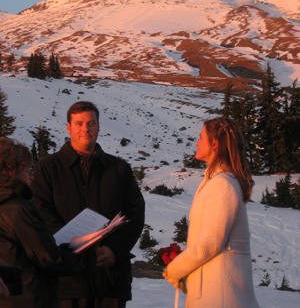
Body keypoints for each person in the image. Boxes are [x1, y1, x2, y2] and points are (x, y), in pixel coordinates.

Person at [31, 101, 145, 308]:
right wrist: (71, 246)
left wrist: (114, 250)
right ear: (68, 127)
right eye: (79, 123)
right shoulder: (48, 168)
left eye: (91, 123)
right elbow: (41, 212)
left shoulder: (119, 168)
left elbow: (134, 214)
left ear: (99, 126)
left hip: (110, 280)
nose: (86, 129)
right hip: (66, 281)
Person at [163, 117, 260, 307]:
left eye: (201, 137)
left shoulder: (222, 184)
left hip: (221, 295)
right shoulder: (216, 180)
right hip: (214, 291)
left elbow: (208, 244)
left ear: (214, 144)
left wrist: (175, 269)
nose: (197, 143)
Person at [0, 137, 98, 308]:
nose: (29, 176)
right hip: (30, 297)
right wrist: (88, 258)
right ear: (11, 171)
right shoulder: (18, 210)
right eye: (25, 170)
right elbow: (48, 258)